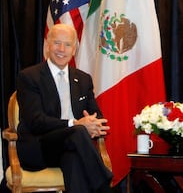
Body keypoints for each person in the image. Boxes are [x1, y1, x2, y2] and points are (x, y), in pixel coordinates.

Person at [16, 23, 113, 193]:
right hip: (40, 147)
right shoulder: (29, 77)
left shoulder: (83, 79)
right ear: (47, 45)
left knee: (74, 159)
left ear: (74, 49)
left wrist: (93, 124)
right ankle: (104, 185)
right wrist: (75, 124)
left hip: (72, 147)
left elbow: (97, 117)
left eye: (68, 44)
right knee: (78, 131)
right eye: (57, 43)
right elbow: (35, 122)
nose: (62, 49)